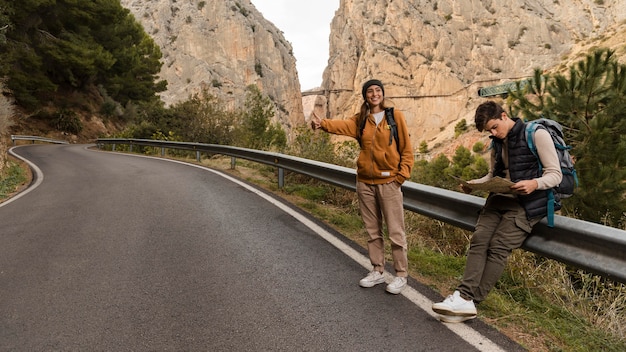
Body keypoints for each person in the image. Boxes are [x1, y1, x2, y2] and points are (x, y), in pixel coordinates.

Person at [432, 101, 562, 323]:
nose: (493, 133)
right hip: (499, 197)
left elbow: (555, 174)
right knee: (479, 239)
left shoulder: (537, 135)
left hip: (528, 203)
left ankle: (469, 299)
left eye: (494, 127)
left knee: (499, 246)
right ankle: (464, 298)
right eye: (488, 131)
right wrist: (473, 184)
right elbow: (492, 175)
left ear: (504, 116)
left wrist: (534, 183)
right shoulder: (497, 143)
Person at [310, 79, 414, 294]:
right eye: (370, 91)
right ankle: (377, 270)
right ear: (365, 96)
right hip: (365, 182)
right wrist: (323, 124)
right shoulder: (361, 120)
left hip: (389, 183)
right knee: (372, 231)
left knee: (395, 231)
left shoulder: (395, 117)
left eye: (378, 90)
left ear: (382, 94)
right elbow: (343, 126)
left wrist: (400, 178)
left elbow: (407, 150)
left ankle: (401, 275)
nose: (374, 94)